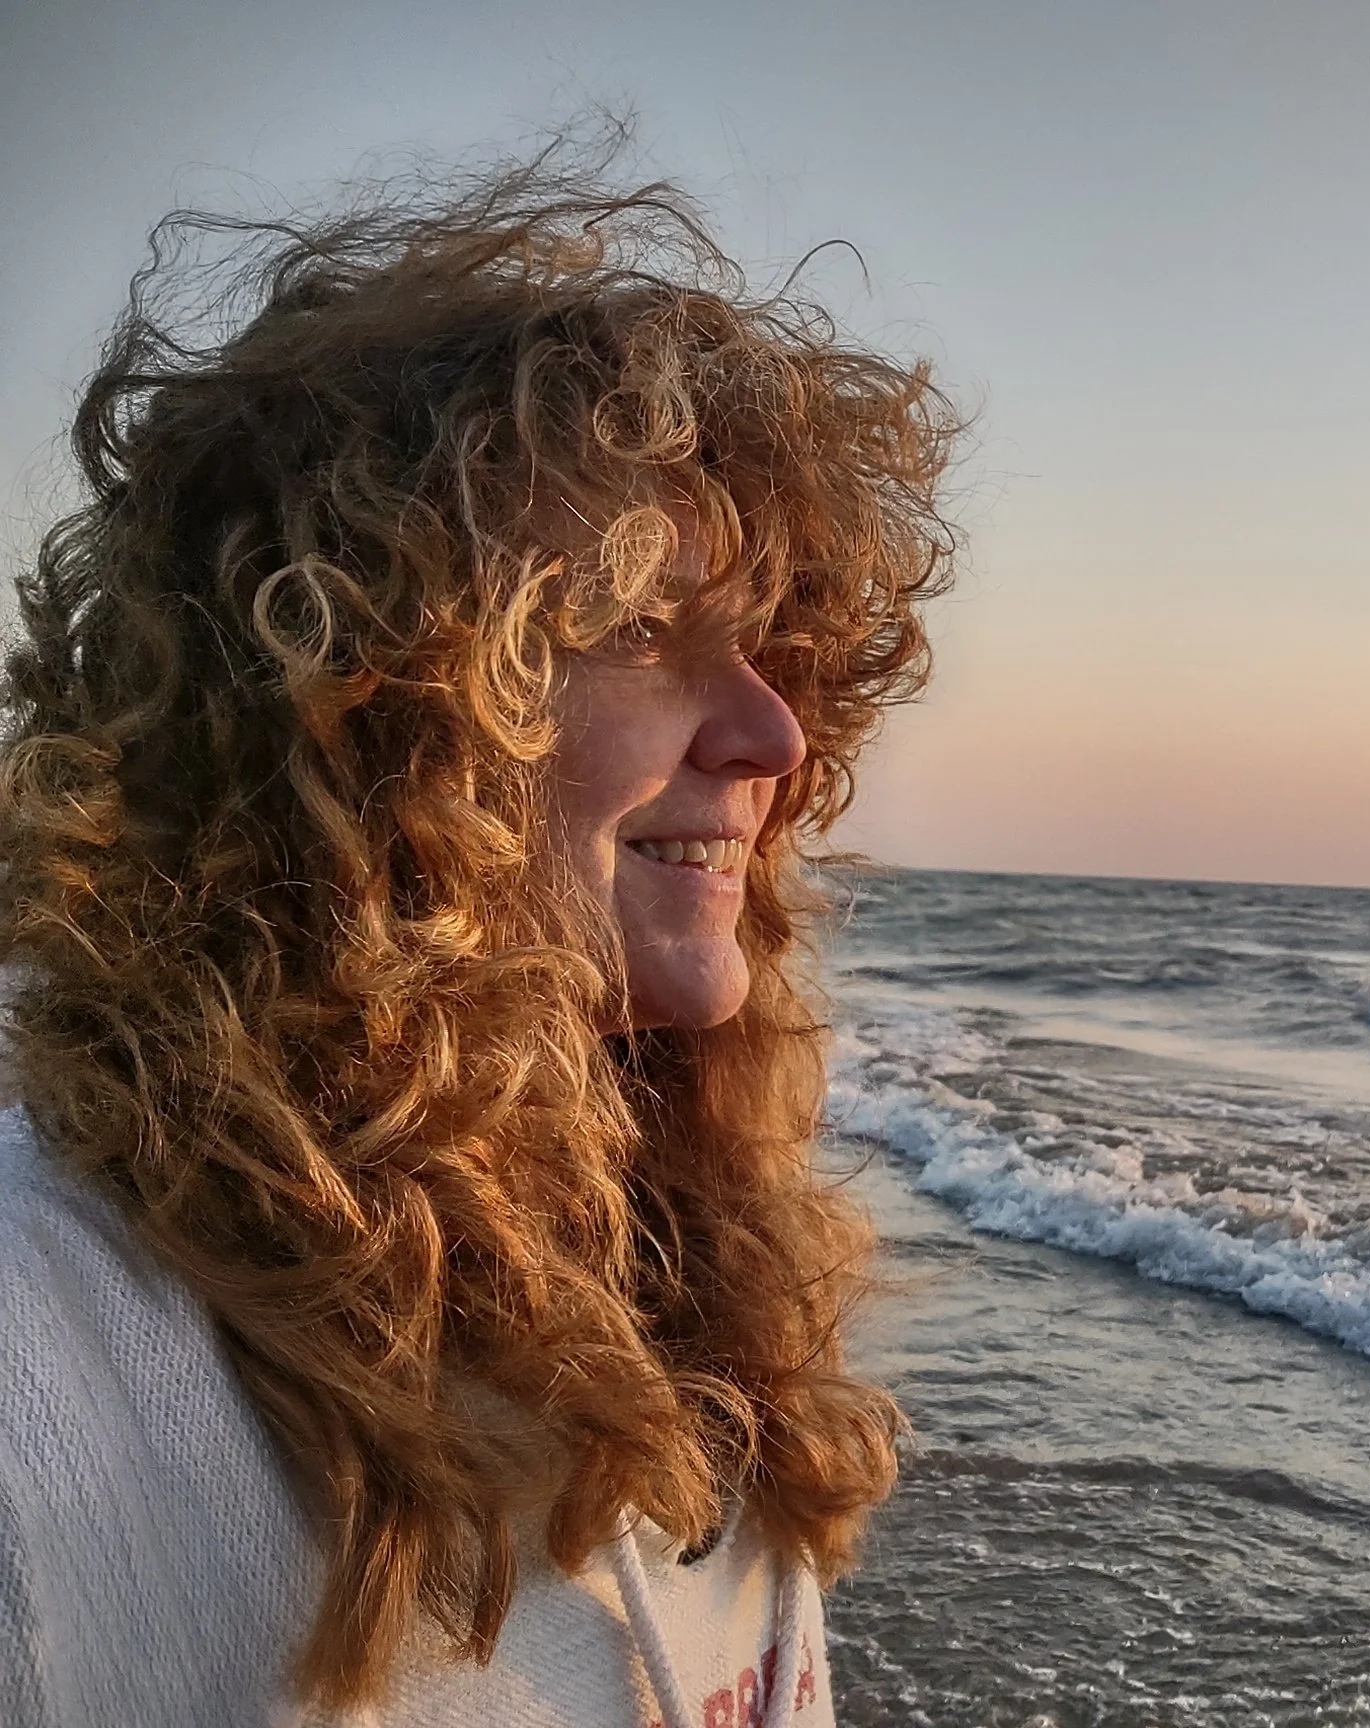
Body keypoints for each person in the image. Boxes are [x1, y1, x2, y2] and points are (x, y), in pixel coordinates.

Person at [0, 153, 958, 1725]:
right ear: (348, 699)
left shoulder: (697, 1265)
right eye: (645, 631)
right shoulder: (48, 1364)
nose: (775, 734)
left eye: (773, 646)